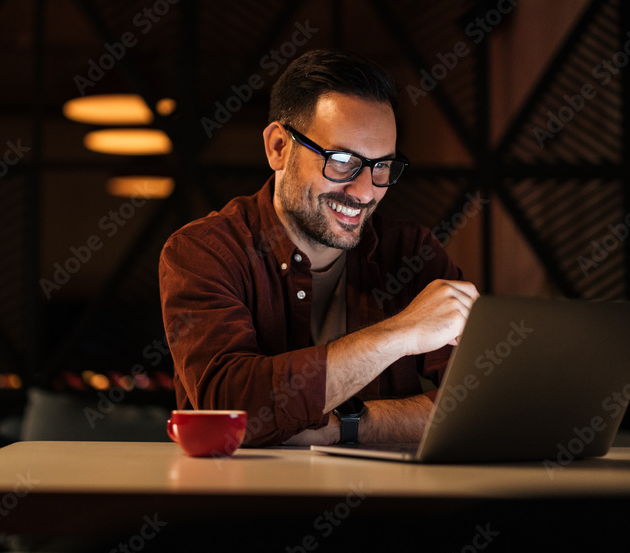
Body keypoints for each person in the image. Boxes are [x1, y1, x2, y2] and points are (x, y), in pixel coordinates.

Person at [158, 49, 479, 447]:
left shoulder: (412, 253)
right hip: (243, 503)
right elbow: (230, 411)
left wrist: (347, 425)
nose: (365, 192)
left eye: (382, 167)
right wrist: (399, 333)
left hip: (387, 505)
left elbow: (487, 404)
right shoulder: (203, 252)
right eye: (342, 160)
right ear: (278, 147)